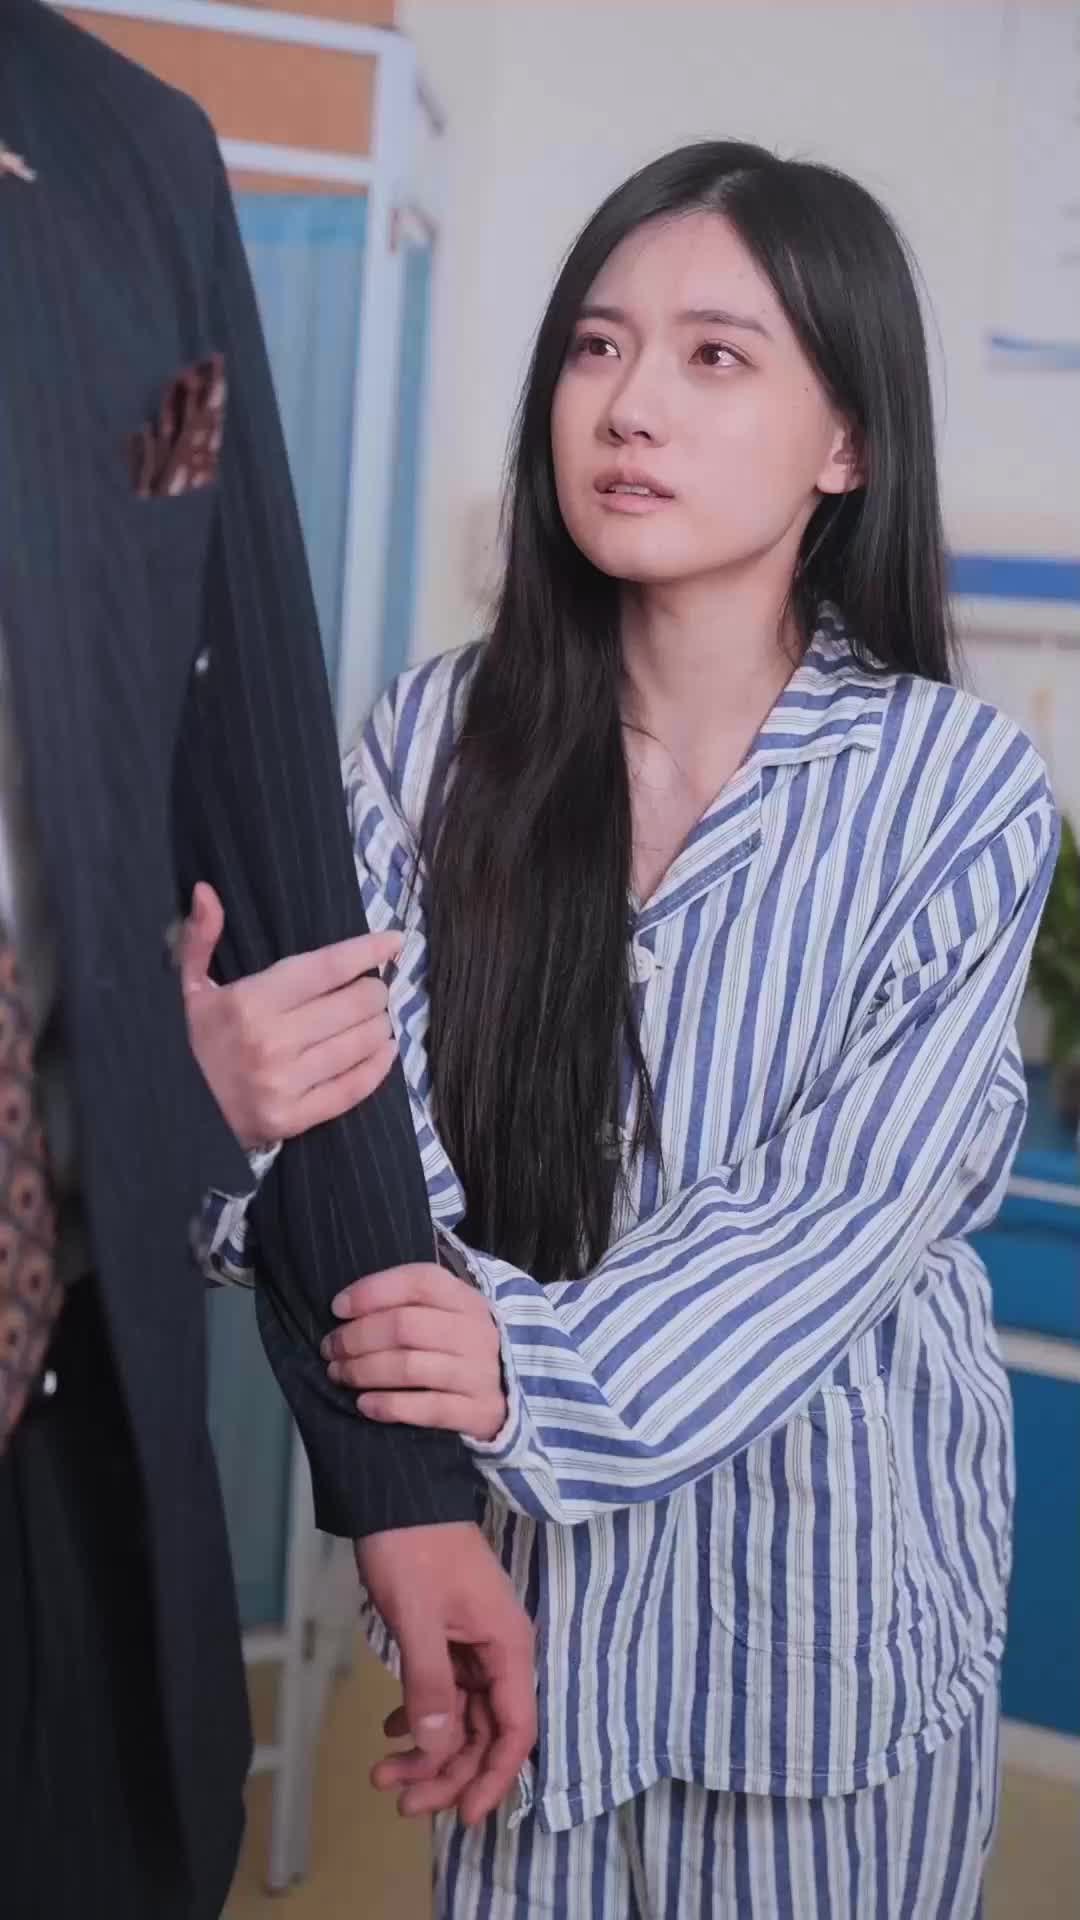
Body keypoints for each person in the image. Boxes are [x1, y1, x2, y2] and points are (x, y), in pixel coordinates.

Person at [199, 142, 1058, 1916]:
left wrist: (517, 1363)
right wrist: (234, 1105)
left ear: (847, 444)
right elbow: (341, 1138)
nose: (629, 405)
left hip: (826, 1625)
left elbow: (834, 1215)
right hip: (527, 1617)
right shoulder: (436, 742)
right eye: (596, 346)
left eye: (714, 355)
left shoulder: (952, 784)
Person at [0, 5, 533, 1917]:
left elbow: (267, 827)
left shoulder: (135, 166)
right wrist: (164, 1100)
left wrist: (401, 1478)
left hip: (60, 1430)